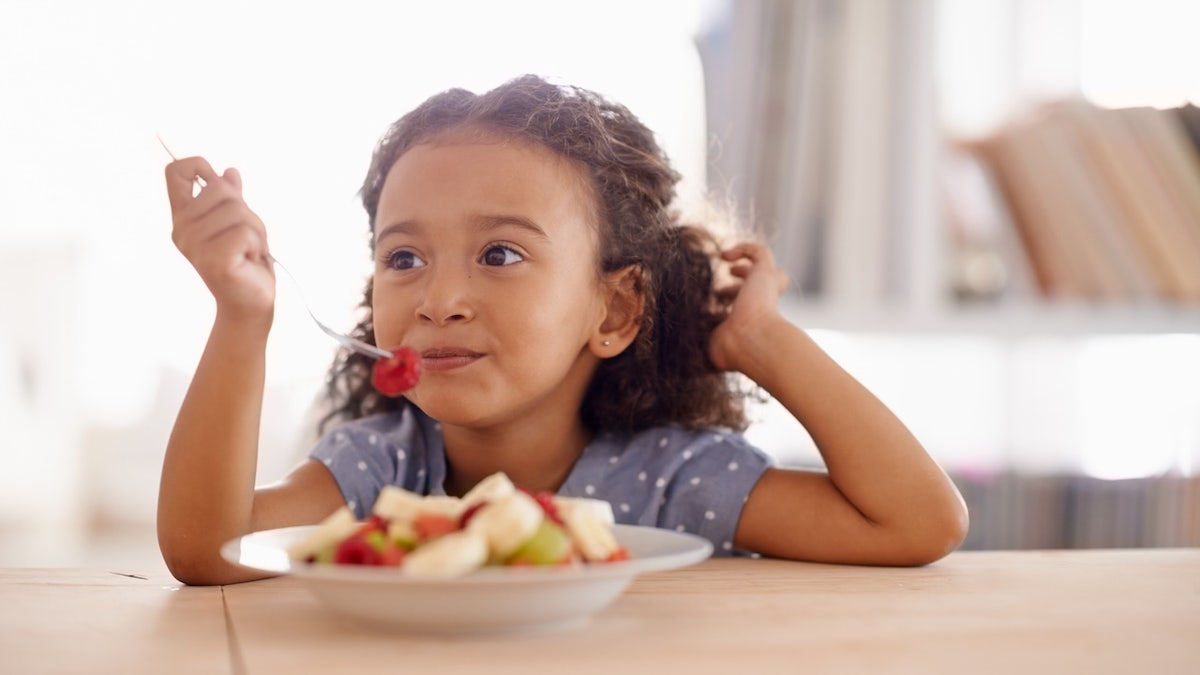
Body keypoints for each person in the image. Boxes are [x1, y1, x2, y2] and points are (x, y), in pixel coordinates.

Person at [158, 75, 968, 585]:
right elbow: (211, 549)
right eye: (403, 257)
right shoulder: (384, 467)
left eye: (499, 253)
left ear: (613, 310)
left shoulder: (669, 480)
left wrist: (763, 343)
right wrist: (242, 314)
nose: (439, 298)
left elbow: (918, 522)